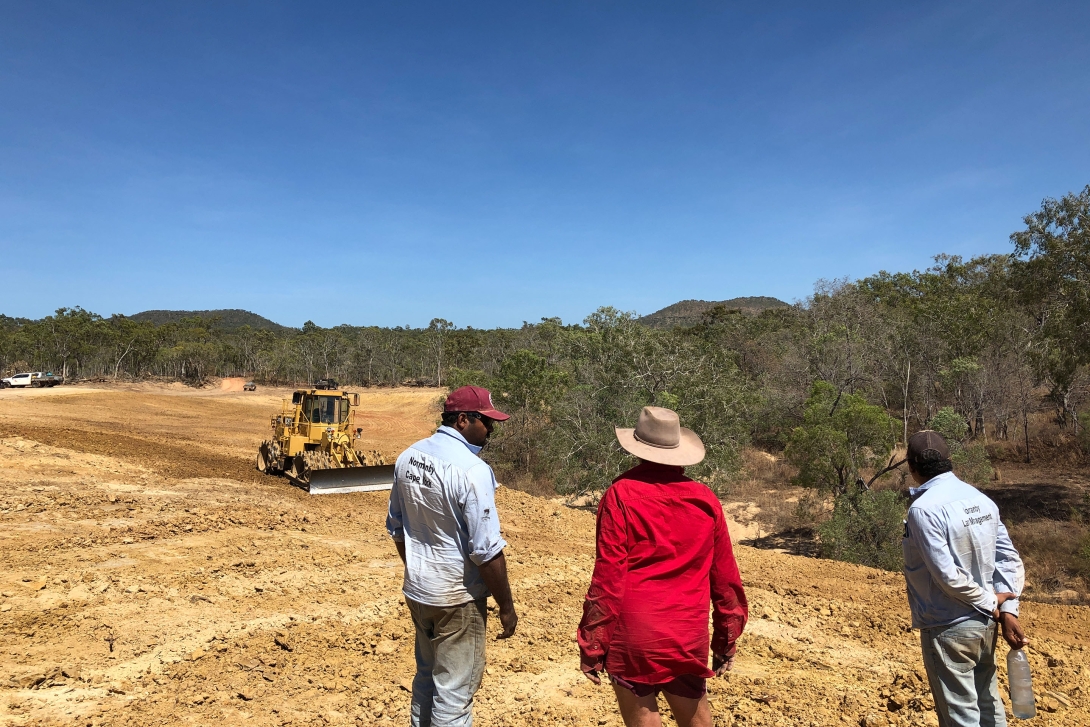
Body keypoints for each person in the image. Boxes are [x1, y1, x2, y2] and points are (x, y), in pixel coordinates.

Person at [578, 406, 748, 727]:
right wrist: (726, 640)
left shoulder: (620, 495)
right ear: (680, 452)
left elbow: (608, 579)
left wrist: (593, 643)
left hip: (634, 638)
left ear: (638, 449)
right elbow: (726, 580)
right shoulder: (705, 499)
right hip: (687, 634)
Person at [386, 385, 519, 727]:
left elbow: (397, 528)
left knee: (426, 679)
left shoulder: (408, 457)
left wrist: (418, 569)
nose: (491, 429)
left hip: (419, 591)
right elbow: (487, 551)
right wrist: (506, 606)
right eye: (486, 421)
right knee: (455, 695)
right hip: (457, 599)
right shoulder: (472, 471)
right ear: (463, 420)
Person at [902, 430, 1028, 727]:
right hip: (985, 626)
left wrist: (992, 603)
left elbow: (947, 576)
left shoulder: (923, 510)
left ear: (911, 467)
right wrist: (1007, 610)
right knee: (989, 706)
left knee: (961, 717)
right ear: (949, 461)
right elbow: (1008, 559)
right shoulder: (980, 499)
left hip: (948, 626)